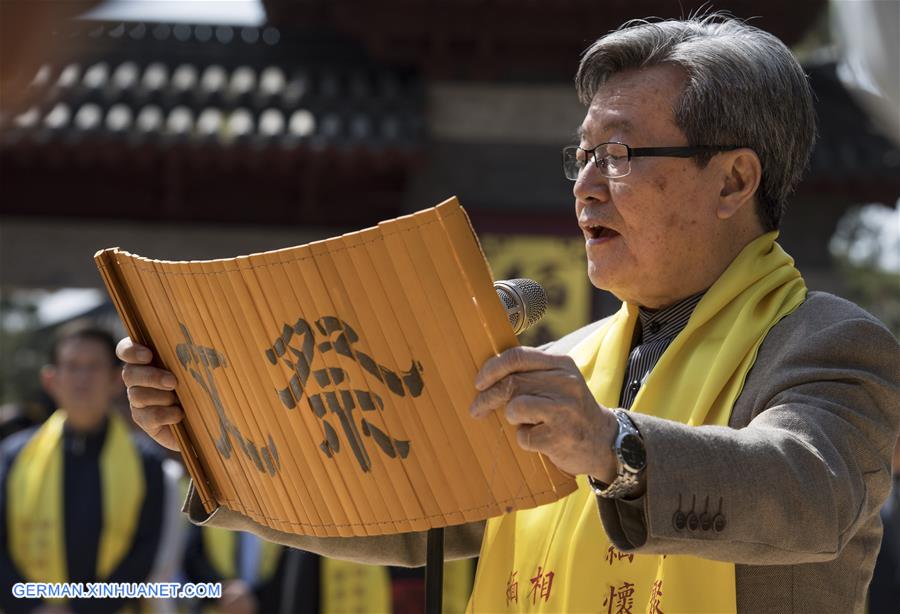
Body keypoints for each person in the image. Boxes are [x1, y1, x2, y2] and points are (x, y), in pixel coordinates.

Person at [117, 14, 900, 613]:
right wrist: (211, 437)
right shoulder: (576, 357)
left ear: (734, 181)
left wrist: (611, 446)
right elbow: (409, 505)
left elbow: (811, 494)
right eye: (582, 155)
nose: (587, 186)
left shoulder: (827, 343)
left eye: (620, 155)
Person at [0, 327, 169, 614]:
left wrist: (81, 610)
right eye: (72, 366)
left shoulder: (146, 460)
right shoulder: (14, 455)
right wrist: (33, 608)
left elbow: (144, 553)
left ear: (117, 380)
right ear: (51, 380)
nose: (82, 379)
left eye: (94, 366)